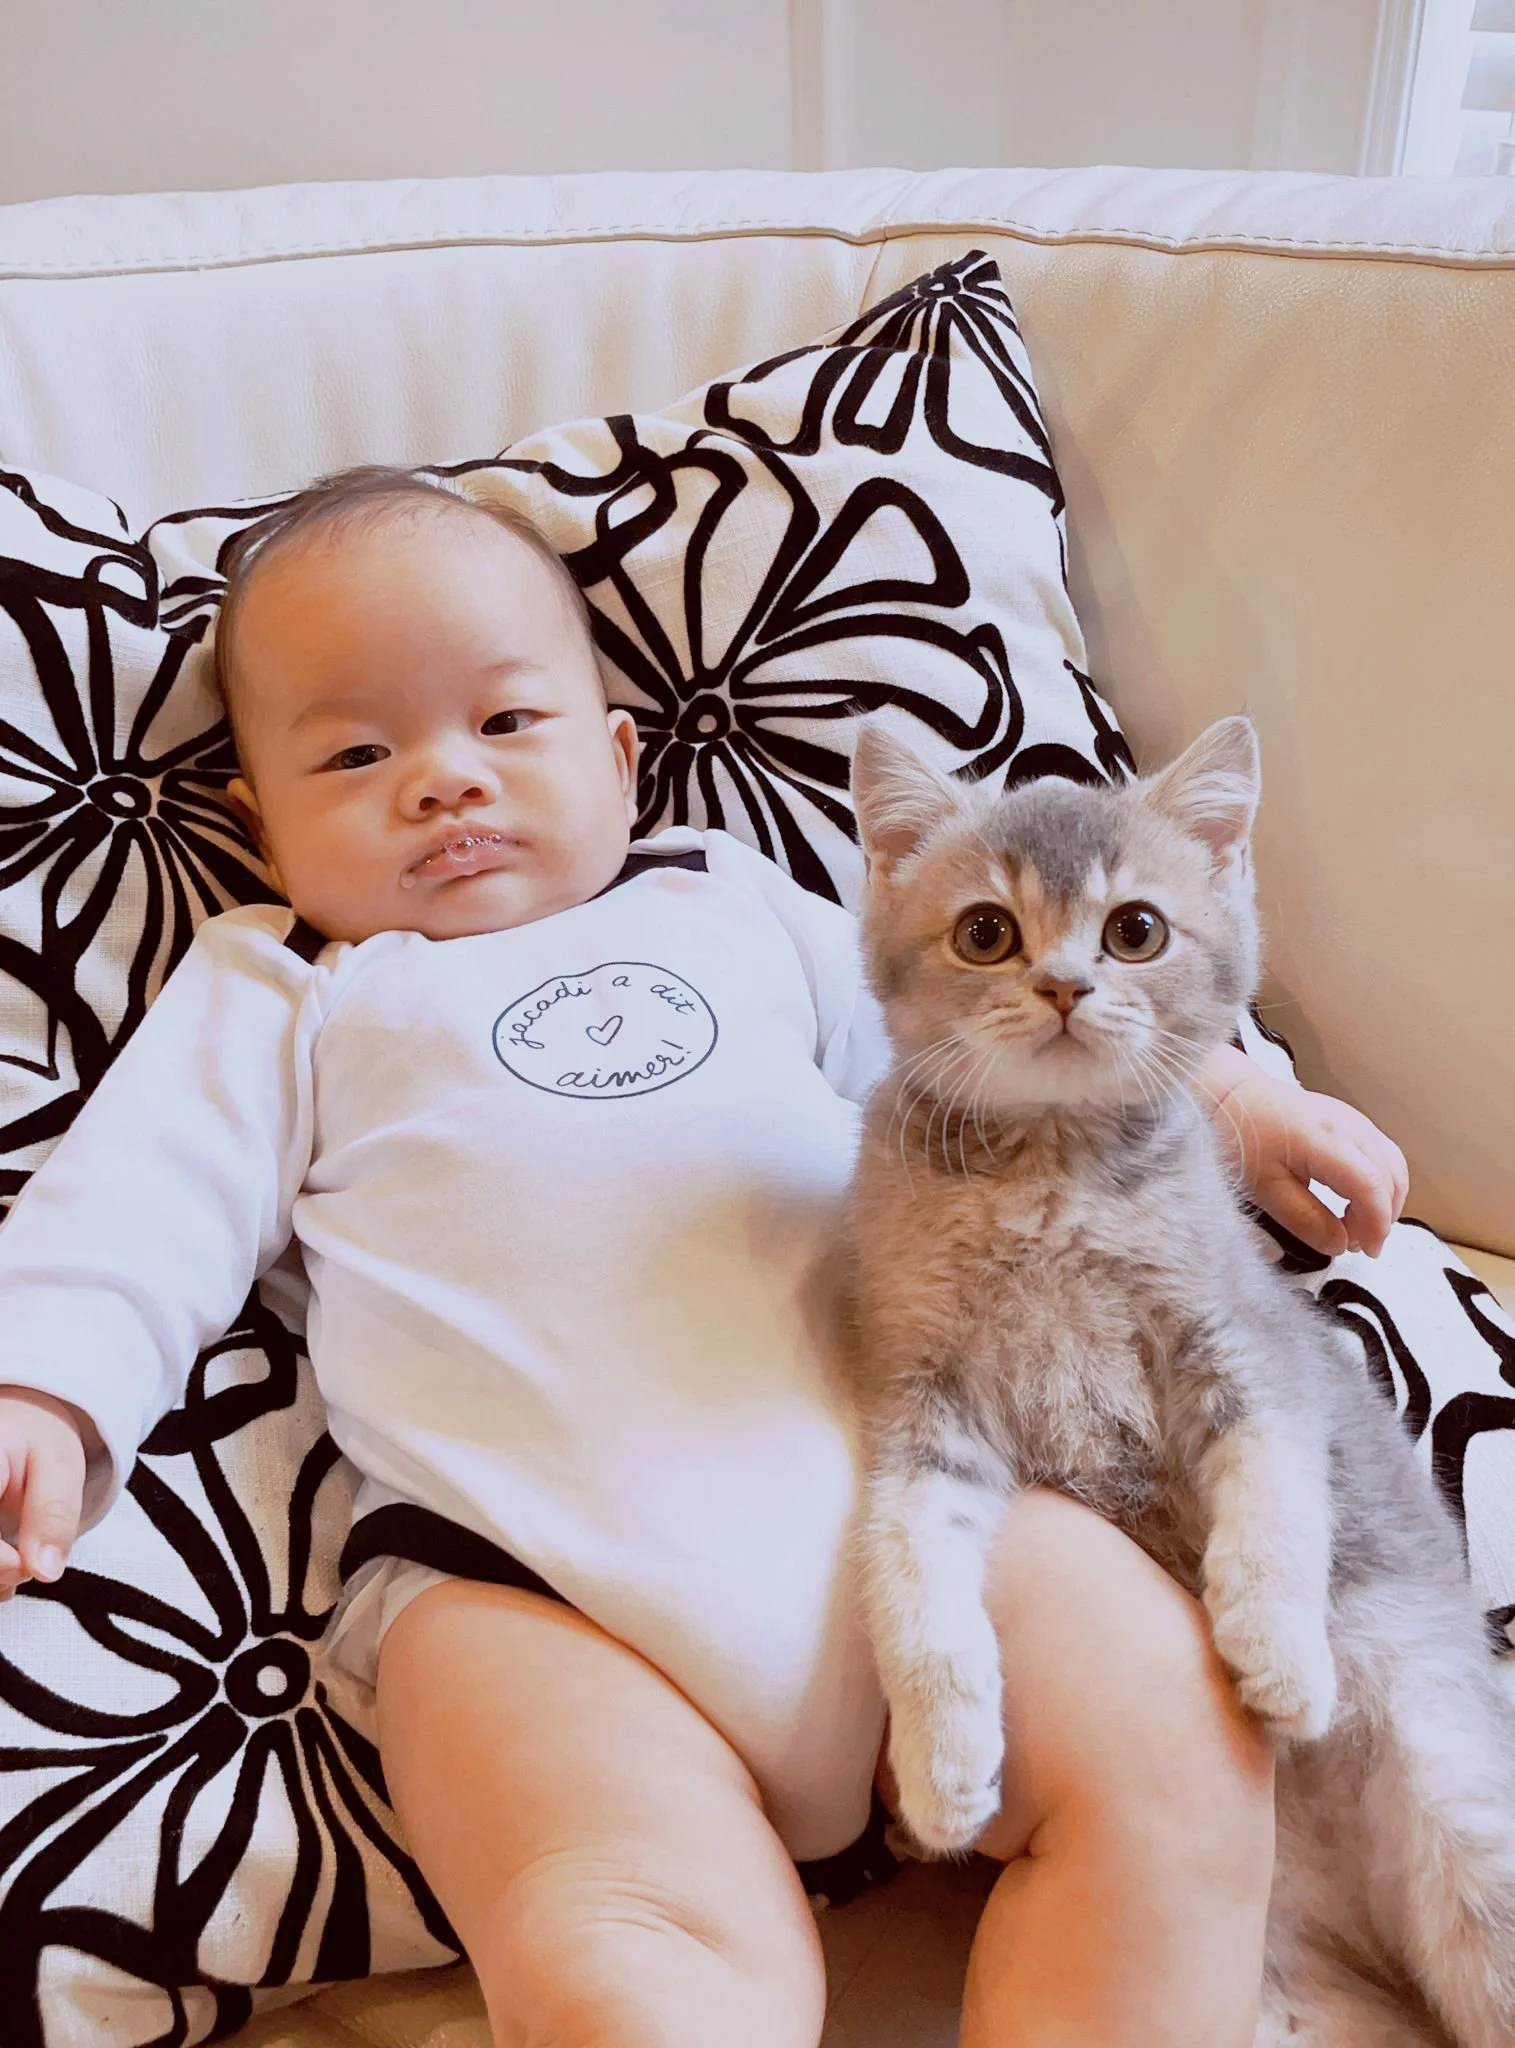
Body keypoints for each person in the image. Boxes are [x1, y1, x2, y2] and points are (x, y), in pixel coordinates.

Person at [0, 467, 1408, 2048]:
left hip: (924, 1489)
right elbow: (138, 1204)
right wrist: (44, 1395)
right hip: (522, 1577)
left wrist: (1241, 1102)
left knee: (1172, 1738)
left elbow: (993, 1030)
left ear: (620, 759)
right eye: (356, 752)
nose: (443, 782)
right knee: (617, 1946)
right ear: (258, 820)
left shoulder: (738, 906)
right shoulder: (289, 989)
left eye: (505, 725)